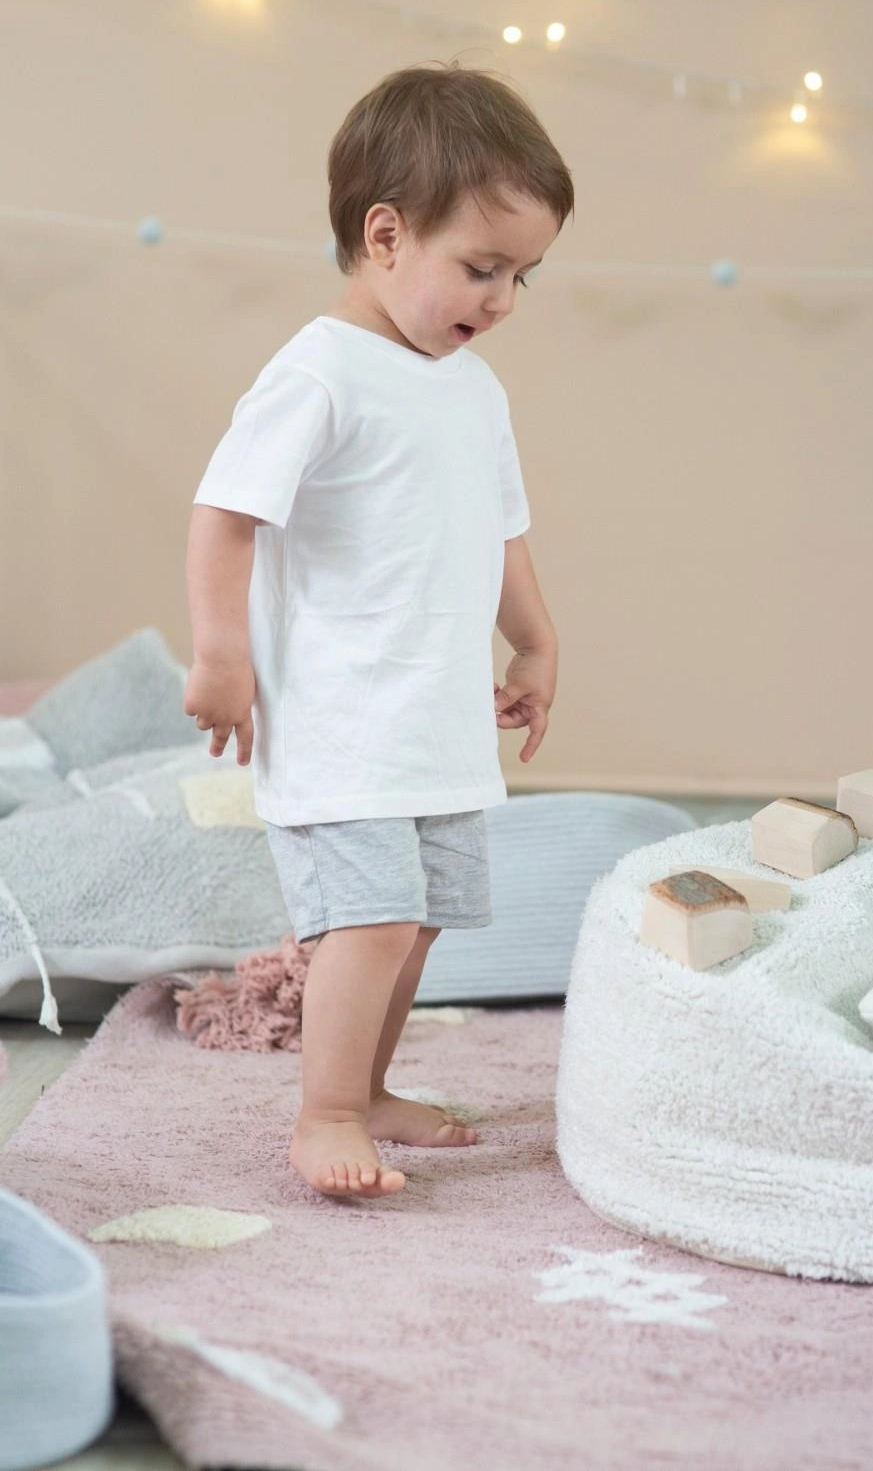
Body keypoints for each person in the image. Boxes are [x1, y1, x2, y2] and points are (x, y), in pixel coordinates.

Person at [184, 62, 573, 1199]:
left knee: (421, 923)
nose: (502, 299)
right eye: (482, 268)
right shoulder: (320, 371)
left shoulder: (473, 388)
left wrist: (535, 640)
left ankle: (372, 1084)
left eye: (521, 276)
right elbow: (225, 515)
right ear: (387, 234)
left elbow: (502, 529)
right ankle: (327, 1113)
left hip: (433, 718)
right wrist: (222, 656)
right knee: (373, 916)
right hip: (342, 716)